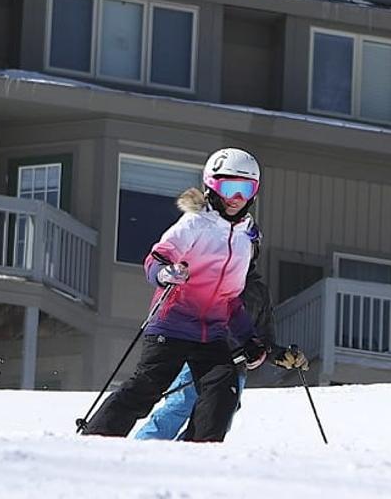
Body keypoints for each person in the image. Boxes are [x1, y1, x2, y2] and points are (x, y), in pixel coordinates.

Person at [82, 147, 266, 442]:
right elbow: (156, 258)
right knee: (149, 386)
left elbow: (230, 299)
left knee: (223, 387)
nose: (236, 198)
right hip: (173, 325)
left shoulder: (246, 237)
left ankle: (200, 448)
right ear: (212, 186)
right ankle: (96, 438)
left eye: (245, 189)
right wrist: (164, 273)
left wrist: (248, 339)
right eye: (228, 187)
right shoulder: (195, 223)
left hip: (211, 334)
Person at [135, 250, 309, 440]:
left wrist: (281, 355)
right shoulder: (211, 278)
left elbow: (264, 338)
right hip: (198, 361)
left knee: (216, 421)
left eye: (248, 246)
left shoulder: (257, 292)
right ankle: (143, 447)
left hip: (235, 367)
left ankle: (189, 454)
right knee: (178, 408)